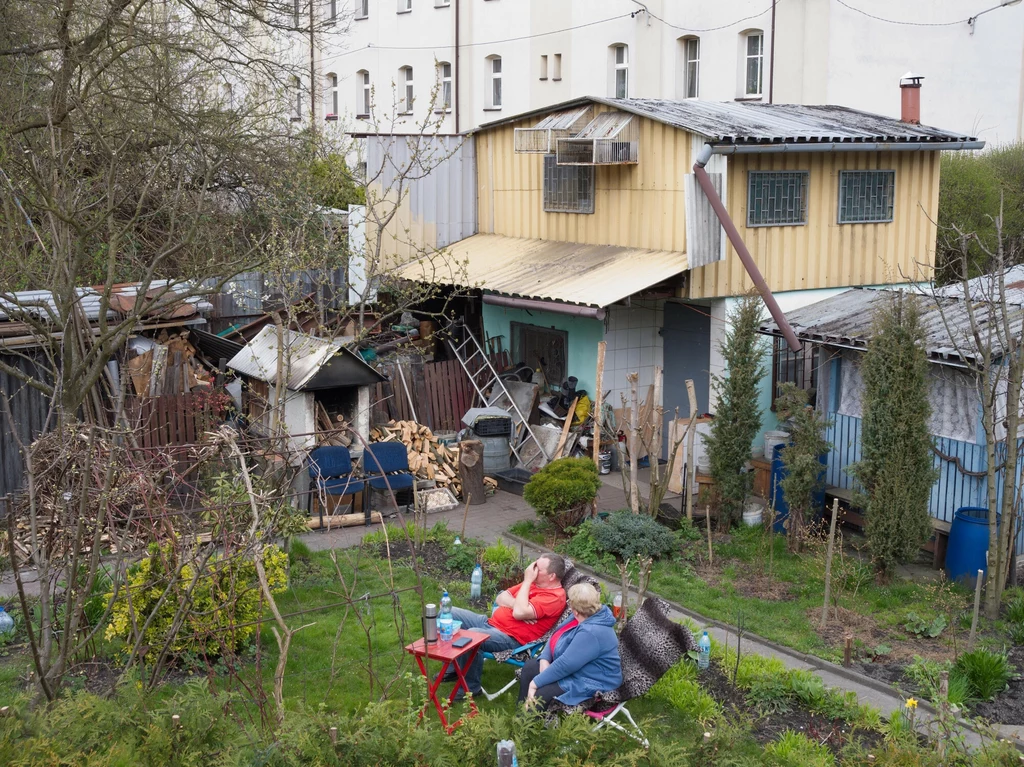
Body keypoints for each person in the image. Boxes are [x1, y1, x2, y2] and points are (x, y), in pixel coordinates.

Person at [448, 554, 567, 698]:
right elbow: (501, 597)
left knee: (472, 635)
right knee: (449, 613)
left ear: (551, 576)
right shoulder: (534, 584)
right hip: (490, 623)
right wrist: (517, 605)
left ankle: (471, 688)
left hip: (510, 638)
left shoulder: (554, 597)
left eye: (537, 568)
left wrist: (527, 583)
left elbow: (519, 613)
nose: (532, 570)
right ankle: (453, 668)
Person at [518, 582, 622, 710]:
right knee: (530, 667)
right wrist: (545, 659)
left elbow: (565, 665)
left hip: (592, 679)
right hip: (579, 669)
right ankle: (521, 711)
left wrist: (534, 684)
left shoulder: (592, 632)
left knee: (542, 694)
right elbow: (555, 636)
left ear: (575, 609)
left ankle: (526, 725)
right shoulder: (582, 616)